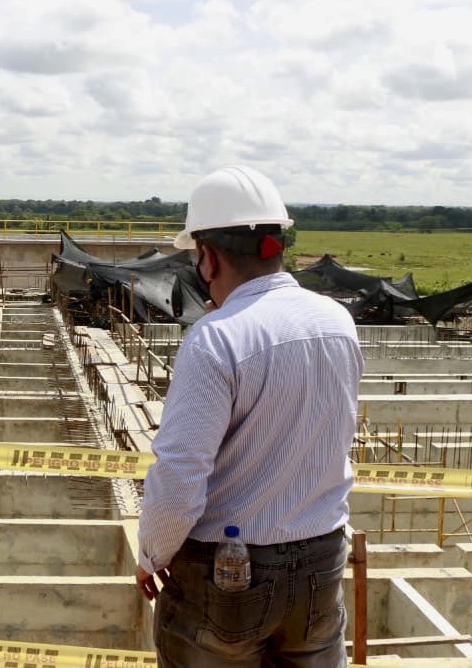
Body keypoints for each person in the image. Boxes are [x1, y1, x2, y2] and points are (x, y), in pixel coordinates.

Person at [136, 166, 362, 667]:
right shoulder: (337, 321)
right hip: (321, 564)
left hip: (228, 577)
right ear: (278, 245)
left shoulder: (217, 337)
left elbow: (180, 474)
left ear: (208, 258)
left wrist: (151, 553)